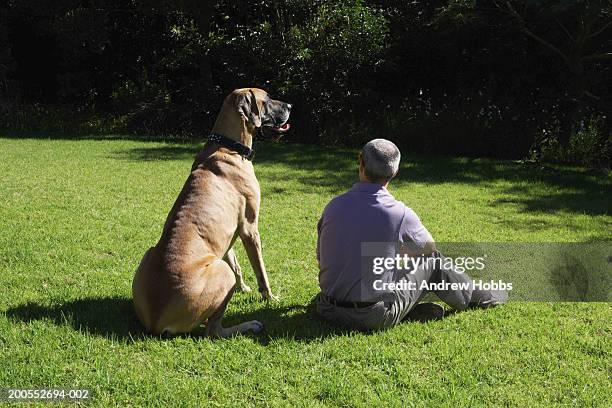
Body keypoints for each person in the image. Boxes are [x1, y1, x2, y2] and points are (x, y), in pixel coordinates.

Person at [315, 139, 507, 330]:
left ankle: (407, 309)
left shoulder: (333, 206)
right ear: (395, 172)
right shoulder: (399, 213)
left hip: (326, 308)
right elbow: (430, 248)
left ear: (361, 162)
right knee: (433, 261)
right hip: (372, 316)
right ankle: (478, 296)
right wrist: (401, 251)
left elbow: (322, 260)